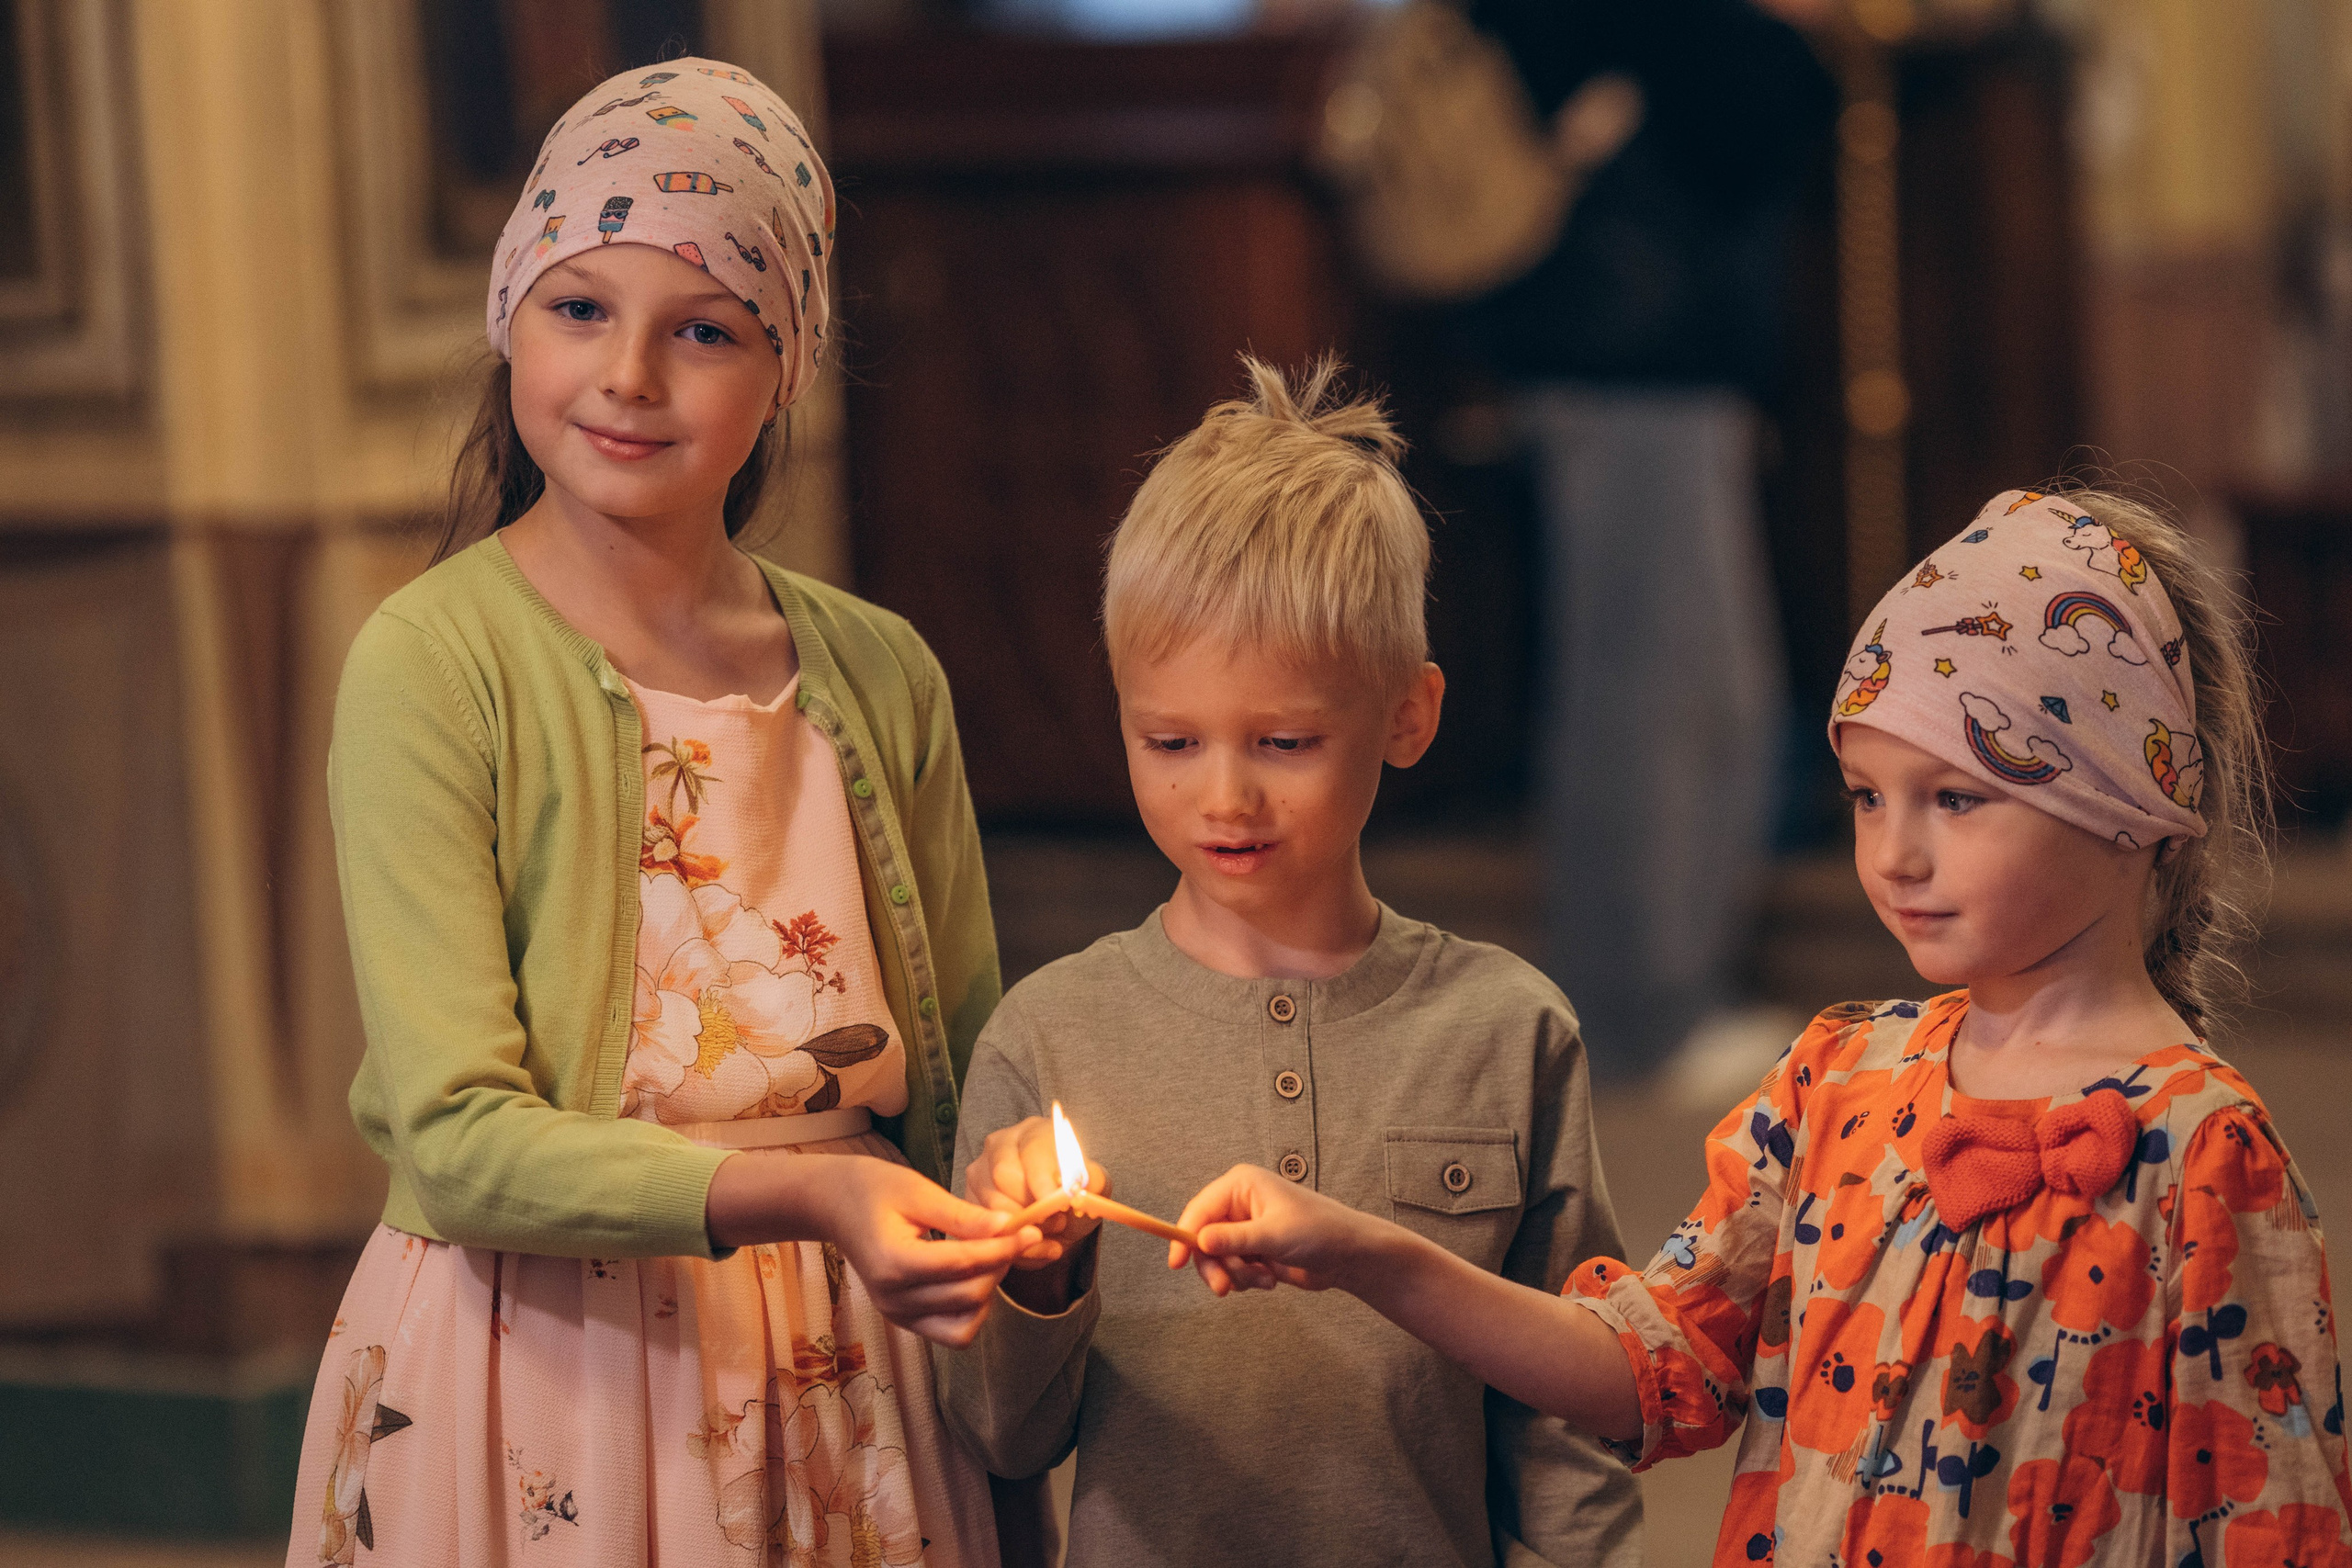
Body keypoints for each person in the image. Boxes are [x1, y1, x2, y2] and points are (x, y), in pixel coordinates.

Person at [1174, 489, 2352, 1564]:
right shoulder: (1837, 1079)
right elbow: (1645, 1364)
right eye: (1867, 798)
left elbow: (2276, 1527)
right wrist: (1369, 1254)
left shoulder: (2201, 1149)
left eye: (1956, 798)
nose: (1894, 855)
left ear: (2121, 805)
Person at [284, 60, 1035, 1565]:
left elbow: (972, 1069)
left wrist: (1008, 1212)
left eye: (704, 328)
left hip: (854, 1368)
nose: (629, 373)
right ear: (510, 316)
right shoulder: (432, 663)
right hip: (545, 1369)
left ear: (784, 370)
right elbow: (457, 1135)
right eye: (580, 307)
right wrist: (811, 1195)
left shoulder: (882, 671)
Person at [932, 358, 1645, 1566]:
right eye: (1171, 741)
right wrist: (1038, 1283)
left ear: (1407, 716)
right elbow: (1000, 1438)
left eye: (1284, 741)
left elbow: (1573, 1417)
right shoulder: (1047, 1036)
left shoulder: (1506, 1029)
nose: (1225, 795)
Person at [1462, 0, 1838, 1082]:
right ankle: (1642, 1015)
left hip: (1650, 348)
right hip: (1631, 347)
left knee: (1693, 692)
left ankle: (1661, 999)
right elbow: (1742, 101)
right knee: (1655, 696)